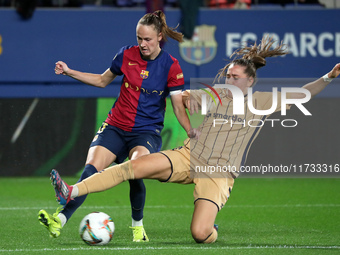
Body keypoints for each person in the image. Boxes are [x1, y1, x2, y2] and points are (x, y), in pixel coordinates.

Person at [48, 36, 340, 243]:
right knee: (131, 168)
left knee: (200, 235)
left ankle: (211, 227)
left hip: (218, 173)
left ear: (250, 81)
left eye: (235, 76)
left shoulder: (263, 101)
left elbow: (303, 94)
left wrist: (328, 76)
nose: (229, 79)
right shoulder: (215, 94)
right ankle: (71, 192)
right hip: (188, 157)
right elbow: (179, 97)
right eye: (227, 74)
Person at [38, 10, 192, 242]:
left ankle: (137, 228)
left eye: (147, 39)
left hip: (146, 132)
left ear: (160, 36)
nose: (142, 44)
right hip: (115, 126)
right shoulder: (126, 54)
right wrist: (70, 72)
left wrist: (190, 131)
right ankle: (58, 221)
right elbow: (102, 80)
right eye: (139, 38)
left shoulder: (171, 66)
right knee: (90, 169)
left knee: (135, 169)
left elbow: (179, 107)